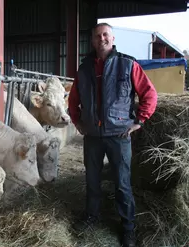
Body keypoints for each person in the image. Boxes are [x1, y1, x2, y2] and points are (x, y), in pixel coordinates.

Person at [68, 23, 157, 247]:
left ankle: (128, 228)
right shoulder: (84, 68)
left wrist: (140, 120)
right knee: (92, 181)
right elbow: (73, 100)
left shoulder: (128, 64)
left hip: (118, 134)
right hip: (93, 136)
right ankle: (92, 216)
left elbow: (149, 94)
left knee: (122, 183)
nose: (102, 39)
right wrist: (77, 121)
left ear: (113, 38)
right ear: (93, 40)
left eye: (105, 35)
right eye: (97, 36)